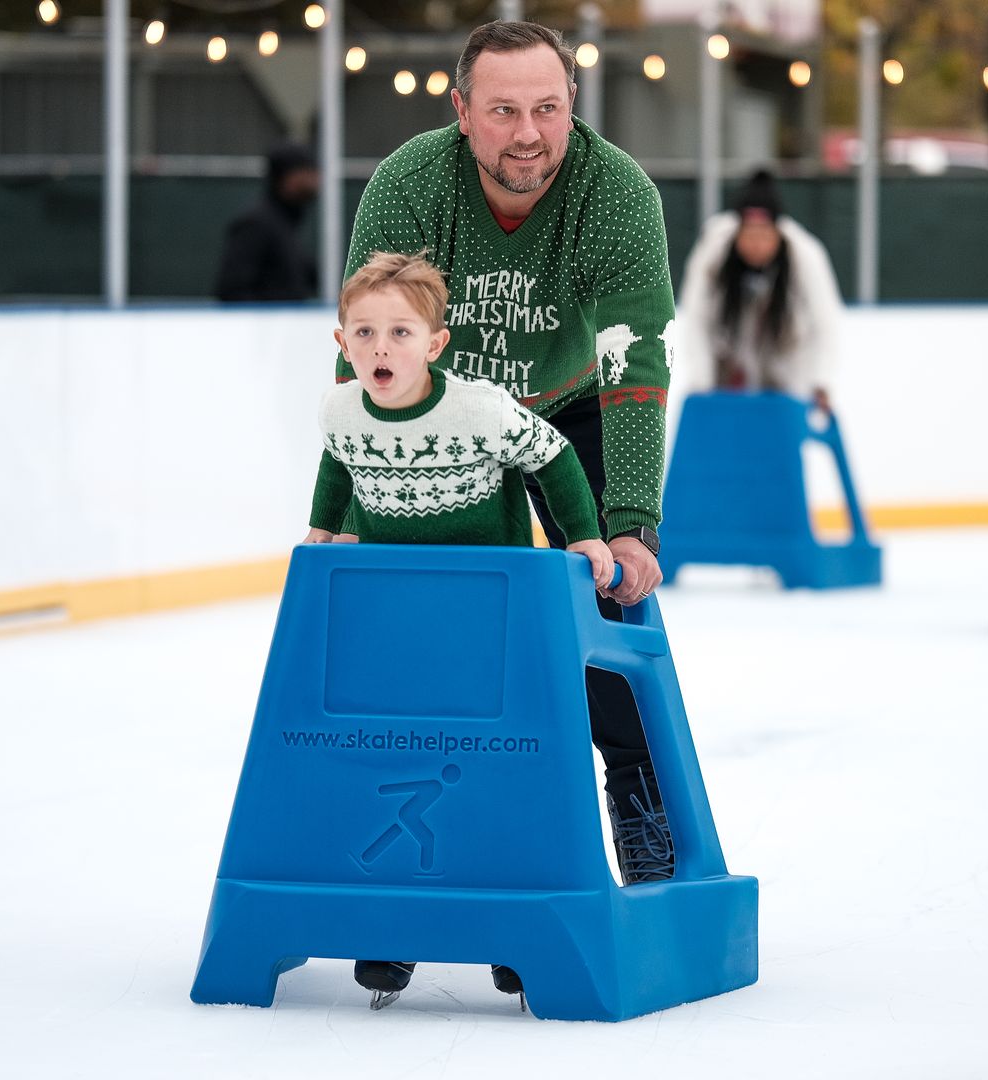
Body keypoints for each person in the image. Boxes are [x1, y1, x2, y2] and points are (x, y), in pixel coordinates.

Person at [331, 19, 677, 1004]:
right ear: (461, 113)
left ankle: (640, 805)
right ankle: (408, 889)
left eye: (548, 109)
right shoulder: (410, 186)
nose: (528, 134)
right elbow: (363, 351)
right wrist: (357, 503)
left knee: (602, 613)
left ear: (572, 107)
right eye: (504, 111)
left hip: (572, 403)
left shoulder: (615, 195)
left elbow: (633, 360)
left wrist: (631, 520)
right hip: (440, 413)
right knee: (428, 645)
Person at [306, 251, 615, 1009]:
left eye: (401, 332)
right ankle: (394, 927)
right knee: (398, 761)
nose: (383, 347)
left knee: (499, 764)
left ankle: (515, 928)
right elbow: (340, 464)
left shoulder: (478, 408)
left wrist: (583, 536)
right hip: (395, 622)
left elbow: (555, 455)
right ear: (342, 341)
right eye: (366, 332)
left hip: (491, 614)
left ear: (435, 344)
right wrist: (325, 528)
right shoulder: (341, 409)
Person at [676, 170, 843, 411]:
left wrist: (821, 381)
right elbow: (696, 318)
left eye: (764, 234)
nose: (756, 244)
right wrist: (702, 380)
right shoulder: (713, 255)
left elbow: (826, 321)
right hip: (729, 365)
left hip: (787, 365)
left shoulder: (805, 255)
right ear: (737, 232)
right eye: (749, 234)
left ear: (778, 232)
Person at [214, 143, 321, 302]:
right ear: (286, 178)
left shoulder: (286, 224)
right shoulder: (256, 224)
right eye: (307, 172)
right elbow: (232, 290)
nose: (315, 180)